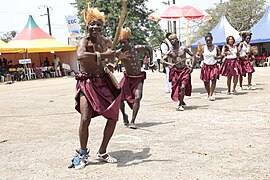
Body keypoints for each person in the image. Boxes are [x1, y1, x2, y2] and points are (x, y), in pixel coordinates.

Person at [70, 7, 121, 169]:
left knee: (113, 117)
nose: (95, 27)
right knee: (85, 118)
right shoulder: (83, 41)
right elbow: (81, 56)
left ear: (102, 26)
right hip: (87, 83)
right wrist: (103, 56)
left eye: (98, 24)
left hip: (103, 81)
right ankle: (83, 153)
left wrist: (113, 61)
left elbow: (112, 57)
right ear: (87, 26)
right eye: (92, 24)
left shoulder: (106, 41)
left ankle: (103, 151)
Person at [116, 27, 154, 129]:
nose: (122, 45)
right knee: (119, 98)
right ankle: (124, 115)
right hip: (127, 78)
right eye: (121, 43)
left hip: (138, 78)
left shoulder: (136, 48)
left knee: (138, 97)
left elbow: (149, 48)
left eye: (124, 42)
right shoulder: (119, 53)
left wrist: (151, 62)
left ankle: (133, 121)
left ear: (129, 41)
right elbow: (108, 59)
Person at [165, 33, 195, 111]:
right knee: (177, 88)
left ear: (177, 39)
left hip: (184, 70)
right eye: (170, 40)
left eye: (173, 39)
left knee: (183, 87)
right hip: (176, 72)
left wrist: (192, 66)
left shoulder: (183, 48)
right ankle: (182, 101)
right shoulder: (170, 51)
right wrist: (170, 64)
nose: (172, 41)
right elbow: (162, 60)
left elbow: (193, 56)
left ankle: (180, 104)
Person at [196, 33, 221, 101]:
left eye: (209, 40)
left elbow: (220, 55)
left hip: (214, 65)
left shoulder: (216, 47)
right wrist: (199, 56)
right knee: (206, 81)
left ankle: (211, 94)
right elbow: (197, 55)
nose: (208, 42)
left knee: (214, 79)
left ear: (212, 40)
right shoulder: (203, 48)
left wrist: (217, 57)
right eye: (207, 40)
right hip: (206, 66)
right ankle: (208, 93)